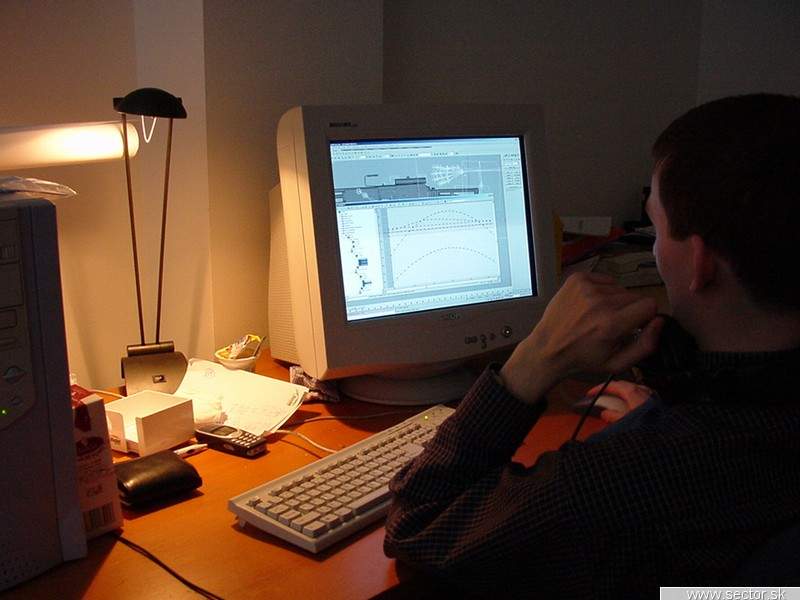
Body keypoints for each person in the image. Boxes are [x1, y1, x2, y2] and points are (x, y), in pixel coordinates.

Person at [383, 94, 800, 597]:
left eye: (655, 227)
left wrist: (534, 359)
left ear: (699, 262)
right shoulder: (740, 437)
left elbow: (419, 527)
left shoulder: (624, 484)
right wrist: (667, 421)